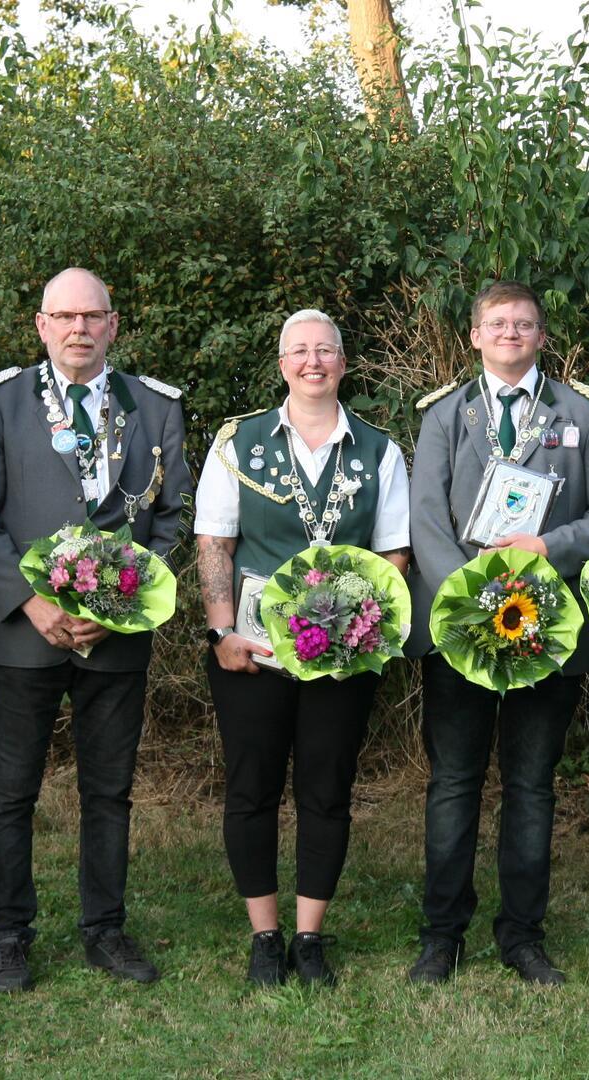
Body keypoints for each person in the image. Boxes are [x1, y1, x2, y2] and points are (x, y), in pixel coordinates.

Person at [0, 267, 192, 991]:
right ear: (41, 325)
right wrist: (29, 604)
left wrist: (123, 604)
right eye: (65, 316)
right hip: (28, 628)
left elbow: (175, 517)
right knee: (11, 790)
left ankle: (105, 930)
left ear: (113, 324)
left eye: (93, 316)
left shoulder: (153, 407)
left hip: (116, 634)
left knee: (109, 790)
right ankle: (8, 934)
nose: (79, 328)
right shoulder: (0, 403)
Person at [405, 279, 589, 986]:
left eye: (524, 324)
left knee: (532, 786)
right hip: (461, 630)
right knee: (454, 782)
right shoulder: (444, 416)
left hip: (548, 631)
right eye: (497, 324)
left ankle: (523, 935)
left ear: (541, 335)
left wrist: (547, 550)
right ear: (473, 335)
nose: (510, 333)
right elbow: (427, 523)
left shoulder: (581, 415)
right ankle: (443, 935)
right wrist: (472, 600)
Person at [193, 309, 411, 987]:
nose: (312, 361)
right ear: (281, 364)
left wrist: (355, 631)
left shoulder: (379, 449)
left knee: (326, 791)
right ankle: (265, 936)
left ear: (345, 363)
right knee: (251, 789)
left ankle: (310, 938)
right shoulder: (240, 441)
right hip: (252, 652)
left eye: (326, 351)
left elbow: (395, 555)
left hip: (343, 655)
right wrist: (222, 632)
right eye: (299, 351)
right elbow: (213, 542)